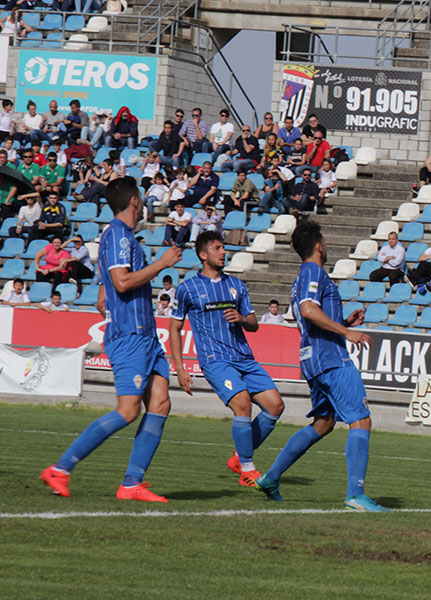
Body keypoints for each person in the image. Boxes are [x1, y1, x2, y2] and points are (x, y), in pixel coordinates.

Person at [40, 177, 184, 503]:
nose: (144, 202)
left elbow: (104, 295)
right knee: (128, 410)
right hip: (130, 335)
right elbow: (120, 283)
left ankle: (132, 483)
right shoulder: (118, 234)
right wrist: (161, 264)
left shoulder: (123, 238)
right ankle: (60, 469)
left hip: (145, 335)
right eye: (142, 197)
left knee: (160, 403)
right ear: (134, 201)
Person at [253, 219, 388, 512]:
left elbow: (310, 313)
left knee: (324, 424)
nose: (326, 246)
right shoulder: (314, 271)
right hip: (331, 358)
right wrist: (346, 332)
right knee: (361, 419)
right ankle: (356, 495)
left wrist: (343, 322)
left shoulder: (302, 275)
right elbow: (308, 310)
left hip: (311, 359)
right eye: (324, 241)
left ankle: (271, 477)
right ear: (318, 246)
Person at [169, 230, 287, 487]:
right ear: (203, 255)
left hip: (244, 358)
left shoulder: (237, 285)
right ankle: (248, 469)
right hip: (216, 360)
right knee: (243, 403)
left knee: (276, 406)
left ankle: (238, 458)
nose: (224, 252)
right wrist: (179, 368)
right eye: (218, 248)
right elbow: (174, 328)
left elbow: (254, 324)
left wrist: (242, 318)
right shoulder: (187, 289)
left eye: (224, 248)